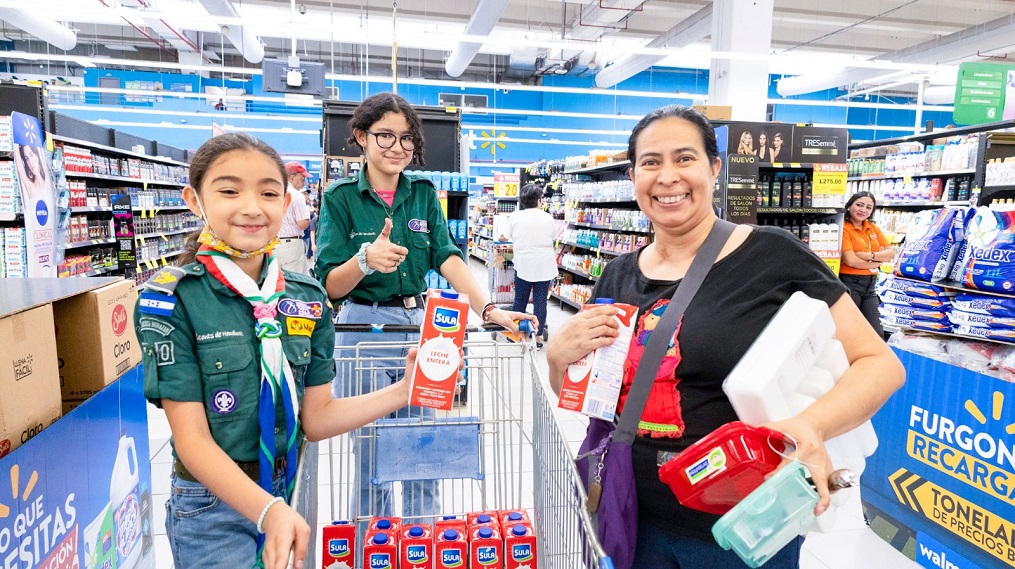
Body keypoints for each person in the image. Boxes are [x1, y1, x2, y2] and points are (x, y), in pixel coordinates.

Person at [545, 105, 905, 568]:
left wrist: (811, 427)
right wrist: (558, 358)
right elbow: (593, 397)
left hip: (746, 523)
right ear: (633, 176)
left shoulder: (772, 254)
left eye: (685, 158)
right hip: (635, 518)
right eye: (651, 162)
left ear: (714, 169)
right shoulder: (616, 276)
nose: (667, 177)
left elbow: (879, 363)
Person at [134, 132, 421, 569]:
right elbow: (191, 441)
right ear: (195, 200)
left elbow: (317, 418)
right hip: (213, 509)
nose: (251, 207)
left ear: (286, 204)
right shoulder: (173, 299)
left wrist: (404, 389)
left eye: (268, 192)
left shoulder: (307, 298)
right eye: (229, 190)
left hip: (289, 491)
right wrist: (267, 512)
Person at [314, 92, 536, 526]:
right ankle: (373, 544)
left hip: (421, 325)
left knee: (423, 443)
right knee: (369, 449)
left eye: (406, 139)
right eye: (384, 136)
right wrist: (363, 261)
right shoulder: (340, 197)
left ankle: (421, 540)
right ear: (360, 136)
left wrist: (489, 309)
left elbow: (447, 256)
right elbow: (328, 285)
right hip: (362, 326)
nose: (397, 147)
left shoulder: (422, 193)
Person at [497, 183, 556, 348]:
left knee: (520, 301)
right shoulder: (547, 217)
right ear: (538, 201)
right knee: (540, 301)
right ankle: (536, 338)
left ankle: (515, 335)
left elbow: (504, 236)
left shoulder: (515, 217)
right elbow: (553, 236)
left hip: (523, 265)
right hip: (544, 265)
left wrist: (504, 237)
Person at [840, 191, 892, 336]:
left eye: (869, 207)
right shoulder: (843, 228)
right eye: (859, 205)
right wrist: (877, 262)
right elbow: (851, 261)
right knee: (849, 332)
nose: (863, 210)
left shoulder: (872, 227)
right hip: (850, 284)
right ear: (849, 205)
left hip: (870, 287)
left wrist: (869, 256)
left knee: (877, 334)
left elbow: (891, 253)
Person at [275, 161, 312, 274]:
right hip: (291, 246)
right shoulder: (296, 195)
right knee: (294, 284)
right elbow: (302, 224)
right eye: (302, 179)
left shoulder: (273, 192)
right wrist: (308, 215)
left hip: (272, 244)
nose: (304, 183)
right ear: (291, 177)